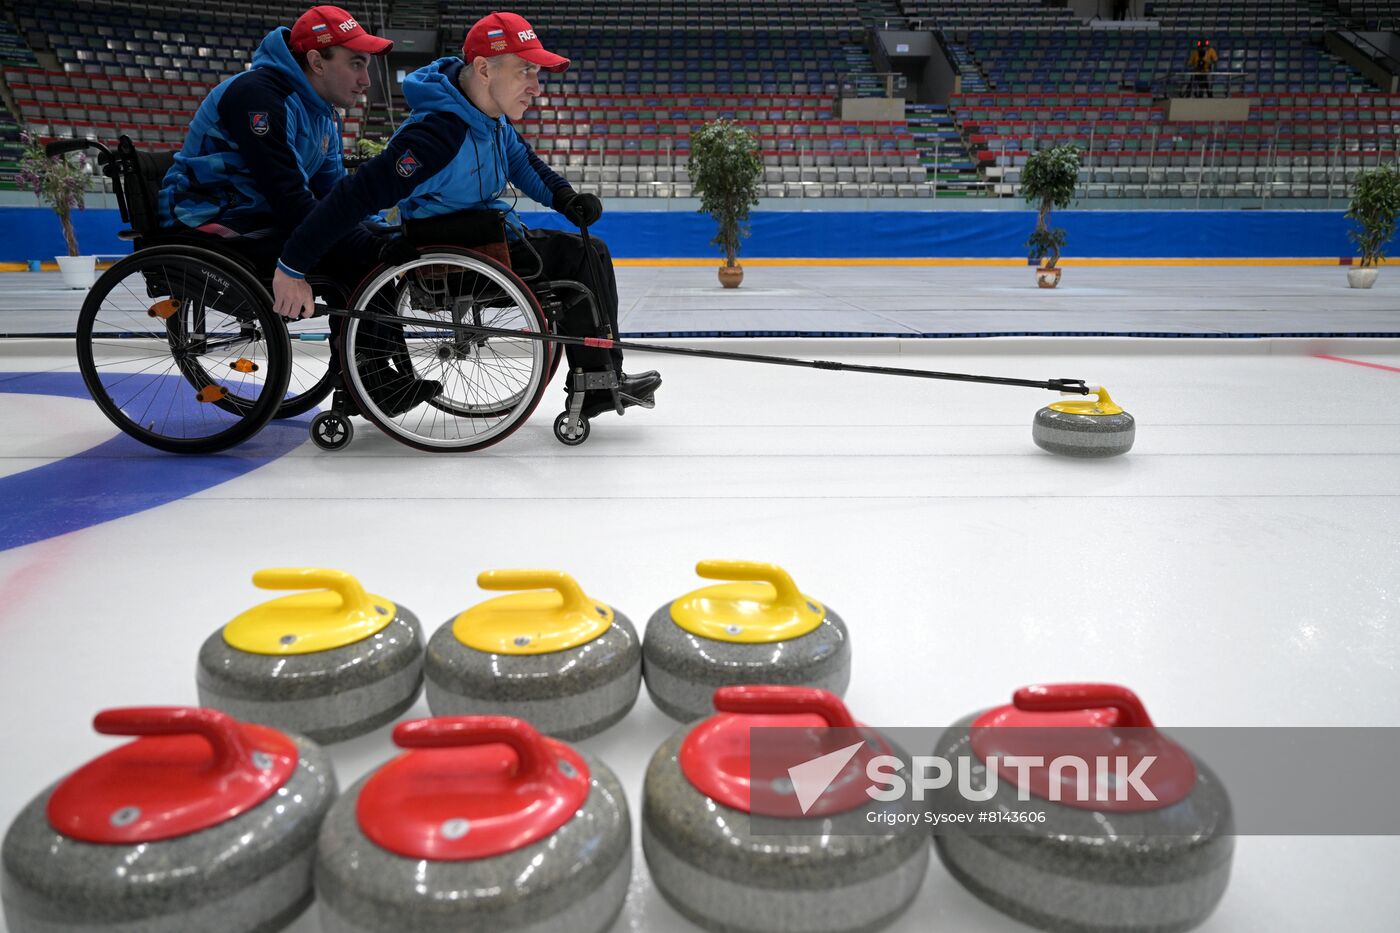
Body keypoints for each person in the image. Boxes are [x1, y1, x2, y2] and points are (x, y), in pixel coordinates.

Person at [271, 11, 661, 420]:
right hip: (456, 257)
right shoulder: (437, 136)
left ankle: (600, 378)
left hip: (482, 241)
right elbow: (352, 199)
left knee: (587, 251)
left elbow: (523, 163)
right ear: (483, 69)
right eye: (525, 70)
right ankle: (598, 382)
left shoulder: (489, 120)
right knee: (584, 256)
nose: (535, 86)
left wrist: (566, 198)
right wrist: (292, 264)